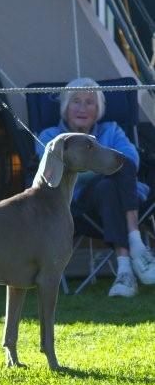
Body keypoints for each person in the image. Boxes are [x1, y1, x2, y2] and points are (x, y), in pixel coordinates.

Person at [36, 77, 155, 298]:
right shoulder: (51, 137)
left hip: (117, 198)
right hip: (78, 206)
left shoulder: (112, 130)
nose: (82, 108)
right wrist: (104, 166)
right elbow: (59, 172)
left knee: (113, 179)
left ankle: (125, 270)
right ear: (65, 107)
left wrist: (96, 167)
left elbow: (133, 161)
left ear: (98, 109)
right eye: (76, 101)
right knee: (112, 172)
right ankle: (136, 245)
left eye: (90, 102)